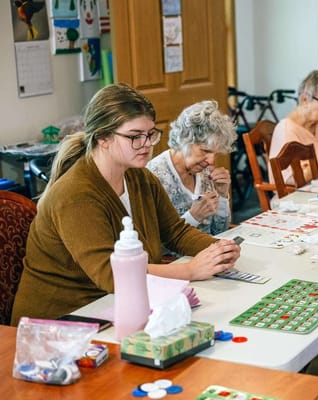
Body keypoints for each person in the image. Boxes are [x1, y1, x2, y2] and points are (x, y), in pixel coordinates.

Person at [11, 83, 241, 325]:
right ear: (103, 138)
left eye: (150, 134)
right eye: (134, 137)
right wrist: (190, 271)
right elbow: (111, 275)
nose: (146, 144)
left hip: (113, 305)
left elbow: (175, 231)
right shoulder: (75, 195)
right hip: (60, 323)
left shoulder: (138, 176)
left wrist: (218, 249)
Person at [147, 100, 236, 235]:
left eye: (214, 153)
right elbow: (153, 243)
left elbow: (219, 231)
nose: (211, 161)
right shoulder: (153, 176)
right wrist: (193, 217)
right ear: (184, 140)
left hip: (209, 251)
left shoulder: (204, 171)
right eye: (205, 151)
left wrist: (223, 195)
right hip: (178, 257)